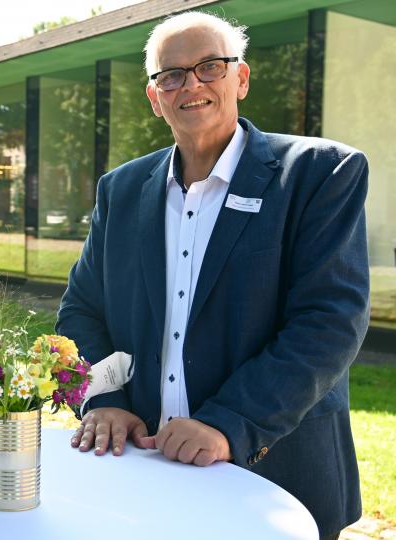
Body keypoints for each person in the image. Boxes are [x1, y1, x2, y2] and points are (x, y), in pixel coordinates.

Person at [56, 12, 368, 539]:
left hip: (277, 475)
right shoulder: (122, 190)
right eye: (171, 75)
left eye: (209, 67)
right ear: (155, 98)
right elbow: (84, 309)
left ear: (240, 78)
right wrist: (106, 398)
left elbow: (329, 322)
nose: (191, 84)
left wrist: (228, 423)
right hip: (147, 467)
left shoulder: (319, 174)